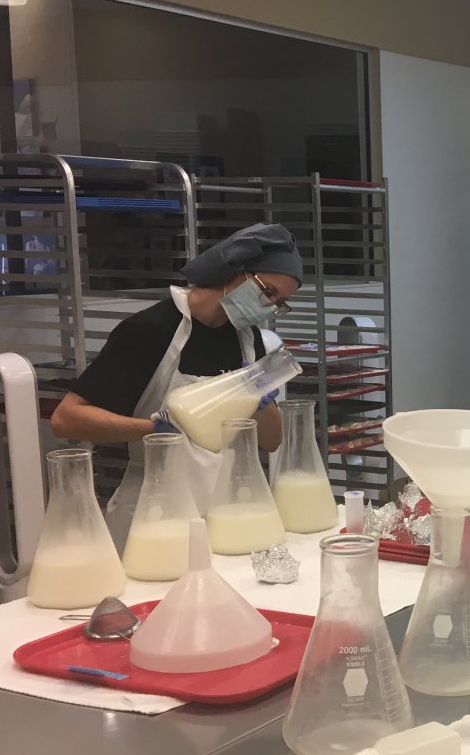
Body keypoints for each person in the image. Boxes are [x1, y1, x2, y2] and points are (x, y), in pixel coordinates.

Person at [50, 222, 302, 544]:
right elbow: (66, 419)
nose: (269, 307)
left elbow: (271, 441)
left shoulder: (248, 340)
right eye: (267, 292)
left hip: (227, 513)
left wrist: (263, 405)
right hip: (155, 515)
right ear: (233, 272)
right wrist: (151, 431)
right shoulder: (150, 331)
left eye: (279, 301)